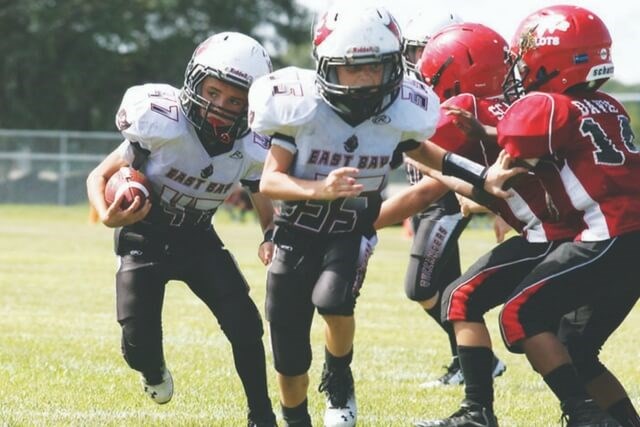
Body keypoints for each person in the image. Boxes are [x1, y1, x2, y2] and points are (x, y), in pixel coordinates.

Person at [248, 6, 522, 427]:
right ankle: (296, 417)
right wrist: (320, 189)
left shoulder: (398, 112)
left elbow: (435, 160)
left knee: (335, 302)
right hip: (296, 230)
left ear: (391, 65)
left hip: (351, 228)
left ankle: (338, 376)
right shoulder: (298, 107)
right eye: (351, 70)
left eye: (374, 68)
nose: (364, 81)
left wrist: (485, 179)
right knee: (288, 356)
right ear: (326, 67)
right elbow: (270, 181)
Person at [86, 32, 278, 427]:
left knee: (245, 325)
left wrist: (270, 237)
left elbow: (265, 205)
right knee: (138, 348)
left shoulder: (254, 145)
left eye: (235, 100)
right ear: (194, 83)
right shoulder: (161, 121)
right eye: (213, 91)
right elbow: (99, 175)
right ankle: (152, 371)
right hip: (144, 234)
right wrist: (108, 215)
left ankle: (262, 416)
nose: (220, 106)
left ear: (251, 106)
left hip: (197, 237)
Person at [493, 5, 640, 426]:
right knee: (574, 343)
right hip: (630, 236)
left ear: (550, 58)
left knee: (518, 315)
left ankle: (584, 416)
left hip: (608, 235)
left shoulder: (550, 107)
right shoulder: (607, 105)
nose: (520, 69)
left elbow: (517, 141)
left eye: (526, 57)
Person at [400, 13, 507, 389]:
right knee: (443, 288)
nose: (420, 62)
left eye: (427, 52)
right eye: (414, 51)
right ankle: (465, 360)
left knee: (421, 288)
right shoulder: (406, 93)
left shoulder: (459, 101)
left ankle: (481, 360)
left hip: (445, 199)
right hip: (428, 199)